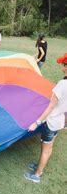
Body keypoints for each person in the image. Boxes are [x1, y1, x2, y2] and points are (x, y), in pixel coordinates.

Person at [24, 53, 67, 183]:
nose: (62, 68)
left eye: (64, 65)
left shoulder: (62, 84)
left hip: (52, 121)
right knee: (49, 147)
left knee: (45, 149)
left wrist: (36, 123)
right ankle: (39, 166)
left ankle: (37, 174)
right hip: (59, 121)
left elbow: (50, 107)